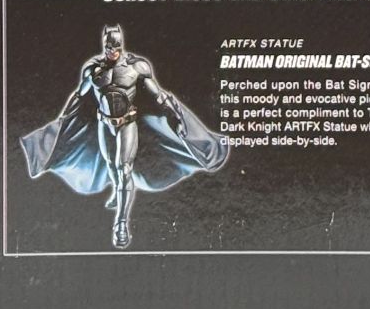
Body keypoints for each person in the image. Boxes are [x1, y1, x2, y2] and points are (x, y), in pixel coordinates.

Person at [22, 24, 228, 249]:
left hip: (127, 125)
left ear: (121, 44)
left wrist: (174, 114)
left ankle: (121, 223)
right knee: (111, 164)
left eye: (117, 46)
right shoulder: (92, 69)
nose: (113, 50)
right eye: (109, 47)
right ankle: (117, 191)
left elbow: (158, 95)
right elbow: (79, 94)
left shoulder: (136, 67)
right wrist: (63, 119)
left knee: (124, 168)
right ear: (104, 45)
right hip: (104, 124)